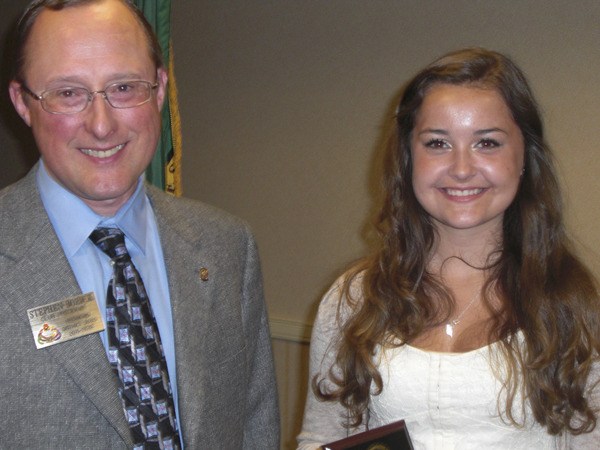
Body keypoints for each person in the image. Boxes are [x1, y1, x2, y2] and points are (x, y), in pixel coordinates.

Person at [0, 0, 279, 448]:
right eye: (68, 93)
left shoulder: (227, 247)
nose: (102, 124)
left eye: (125, 87)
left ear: (161, 88)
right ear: (23, 103)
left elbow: (254, 426)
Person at [297, 48, 600, 449]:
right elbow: (322, 439)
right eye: (437, 143)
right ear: (408, 157)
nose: (461, 168)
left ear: (525, 155)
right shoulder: (354, 298)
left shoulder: (568, 301)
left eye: (487, 143)